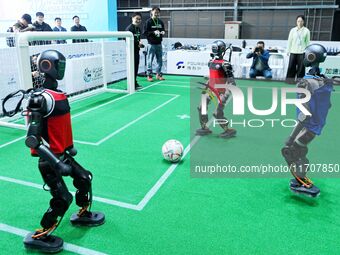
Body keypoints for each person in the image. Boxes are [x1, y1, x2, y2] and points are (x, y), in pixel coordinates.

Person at [23, 50, 105, 253]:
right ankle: (40, 234)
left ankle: (83, 213)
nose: (61, 69)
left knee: (85, 178)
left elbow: (60, 127)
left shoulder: (57, 94)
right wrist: (57, 162)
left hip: (62, 155)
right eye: (58, 65)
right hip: (49, 160)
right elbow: (32, 140)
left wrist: (68, 148)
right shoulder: (39, 99)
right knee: (62, 198)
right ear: (46, 66)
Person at [281, 44, 333, 198]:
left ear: (310, 57)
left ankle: (300, 181)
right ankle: (302, 178)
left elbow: (304, 115)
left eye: (306, 55)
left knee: (289, 151)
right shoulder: (324, 80)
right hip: (316, 126)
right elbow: (328, 105)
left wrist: (291, 137)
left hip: (308, 127)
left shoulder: (305, 82)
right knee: (301, 152)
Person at [196, 40, 237, 138]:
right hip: (211, 90)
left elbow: (232, 82)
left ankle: (228, 130)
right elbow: (211, 78)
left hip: (222, 91)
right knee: (201, 107)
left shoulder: (225, 64)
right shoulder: (211, 62)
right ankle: (204, 127)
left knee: (217, 113)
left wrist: (226, 95)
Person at [286, 15, 310, 84]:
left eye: (301, 21)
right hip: (293, 51)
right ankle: (290, 80)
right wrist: (288, 50)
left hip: (302, 52)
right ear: (296, 22)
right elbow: (289, 41)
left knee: (301, 68)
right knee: (291, 67)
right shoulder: (293, 30)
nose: (299, 22)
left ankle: (300, 81)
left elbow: (307, 42)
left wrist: (307, 52)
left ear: (304, 22)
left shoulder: (306, 31)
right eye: (298, 21)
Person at [144, 6, 165, 82]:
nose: (156, 14)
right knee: (150, 60)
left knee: (160, 60)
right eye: (155, 12)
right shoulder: (148, 22)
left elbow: (162, 30)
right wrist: (153, 32)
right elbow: (145, 33)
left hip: (159, 44)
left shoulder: (160, 22)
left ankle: (158, 74)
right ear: (152, 12)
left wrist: (162, 32)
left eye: (158, 12)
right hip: (151, 44)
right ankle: (149, 75)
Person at [125, 12, 144, 90]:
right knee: (131, 68)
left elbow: (138, 39)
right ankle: (130, 84)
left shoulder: (138, 29)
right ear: (132, 18)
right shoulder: (129, 29)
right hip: (130, 52)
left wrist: (140, 44)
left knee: (136, 68)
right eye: (137, 18)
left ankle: (134, 83)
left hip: (136, 51)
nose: (138, 20)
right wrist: (137, 43)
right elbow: (126, 40)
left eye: (139, 19)